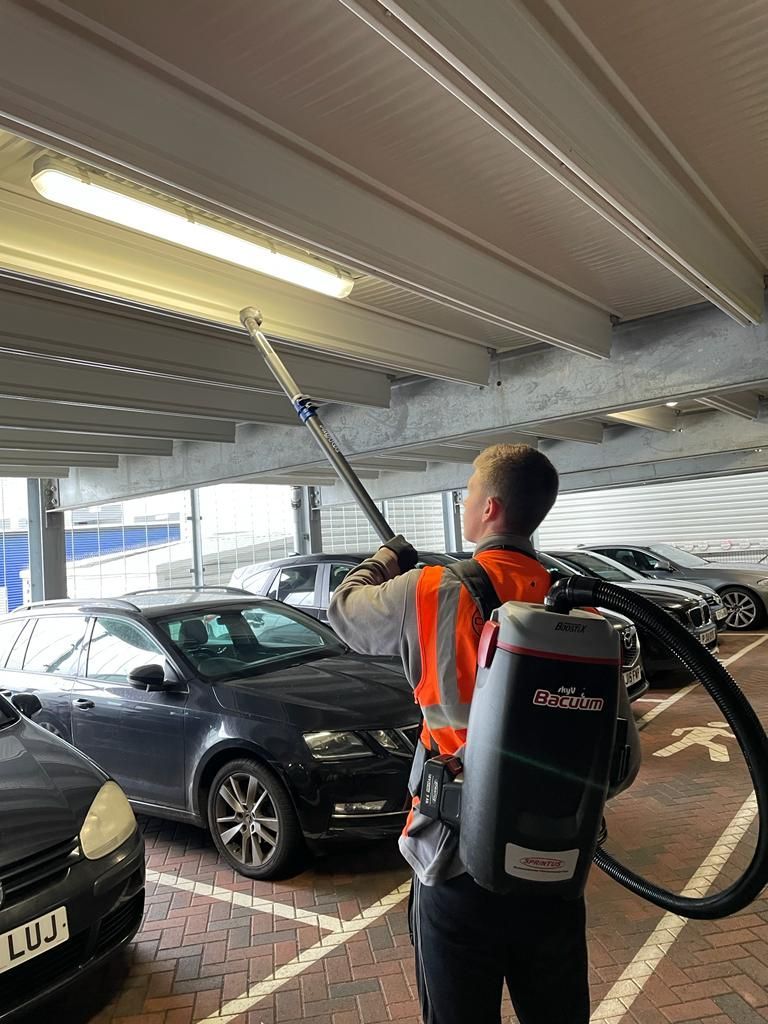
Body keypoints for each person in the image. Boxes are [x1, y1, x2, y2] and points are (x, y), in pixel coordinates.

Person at [328, 443, 641, 1024]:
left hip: (453, 860)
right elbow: (619, 764)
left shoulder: (429, 589)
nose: (465, 501)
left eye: (469, 491)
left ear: (491, 508)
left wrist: (384, 557)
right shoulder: (582, 616)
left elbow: (343, 610)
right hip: (552, 868)